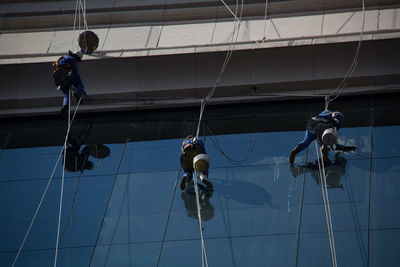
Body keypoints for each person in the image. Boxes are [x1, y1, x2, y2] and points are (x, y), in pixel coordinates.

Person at [289, 110, 356, 163]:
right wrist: (345, 148)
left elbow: (321, 140)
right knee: (328, 139)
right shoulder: (337, 115)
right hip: (324, 124)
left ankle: (295, 151)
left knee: (306, 141)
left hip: (313, 123)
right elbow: (334, 129)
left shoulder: (324, 112)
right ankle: (324, 151)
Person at [52, 50, 89, 114]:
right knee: (79, 84)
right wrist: (80, 88)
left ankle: (65, 106)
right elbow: (75, 72)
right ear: (76, 57)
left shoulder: (61, 60)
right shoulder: (71, 59)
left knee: (67, 94)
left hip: (60, 78)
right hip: (67, 75)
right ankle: (77, 93)